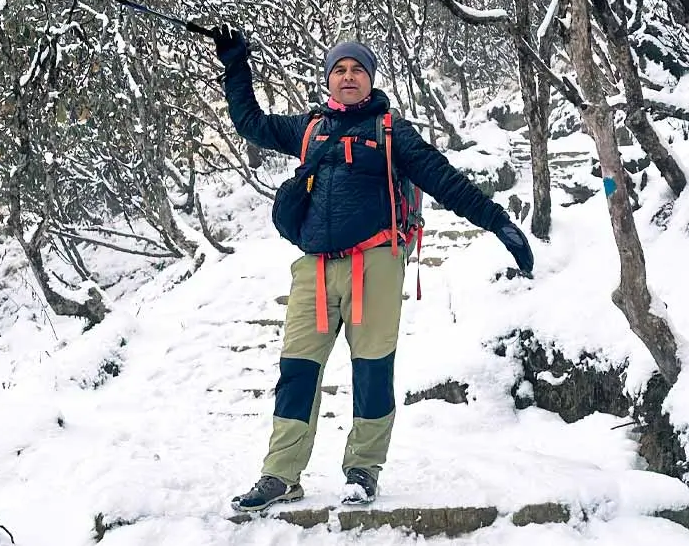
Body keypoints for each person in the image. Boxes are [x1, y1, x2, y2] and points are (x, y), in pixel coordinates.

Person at [214, 26, 534, 512]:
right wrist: (236, 66)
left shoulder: (392, 132)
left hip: (376, 266)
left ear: (370, 79)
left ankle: (363, 469)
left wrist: (499, 223)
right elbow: (251, 123)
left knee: (372, 371)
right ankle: (280, 475)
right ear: (328, 80)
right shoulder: (310, 128)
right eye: (339, 69)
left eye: (356, 69)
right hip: (315, 271)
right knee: (296, 371)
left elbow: (445, 180)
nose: (347, 76)